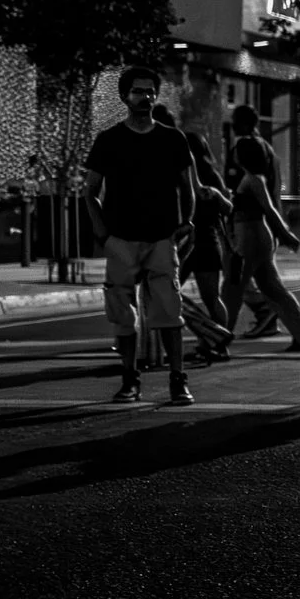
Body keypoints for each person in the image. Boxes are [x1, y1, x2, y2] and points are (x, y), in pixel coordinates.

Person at [82, 67, 197, 405]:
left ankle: (178, 380)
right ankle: (130, 379)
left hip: (162, 237)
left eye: (149, 92)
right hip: (121, 239)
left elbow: (187, 187)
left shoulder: (172, 139)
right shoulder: (108, 140)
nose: (145, 98)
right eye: (137, 92)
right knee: (122, 314)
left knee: (169, 312)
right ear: (124, 96)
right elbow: (90, 191)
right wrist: (103, 233)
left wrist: (187, 221)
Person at [221, 136, 300, 350]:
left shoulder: (254, 180)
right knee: (273, 288)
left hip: (251, 239)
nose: (234, 154)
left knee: (232, 288)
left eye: (237, 150)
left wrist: (286, 234)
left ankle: (219, 338)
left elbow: (269, 209)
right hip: (254, 238)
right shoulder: (251, 178)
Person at [178, 133, 237, 366]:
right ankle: (212, 337)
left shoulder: (209, 176)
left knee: (210, 297)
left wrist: (214, 194)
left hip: (203, 242)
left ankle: (217, 342)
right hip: (186, 242)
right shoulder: (179, 172)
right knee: (170, 292)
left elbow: (228, 207)